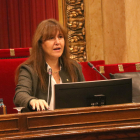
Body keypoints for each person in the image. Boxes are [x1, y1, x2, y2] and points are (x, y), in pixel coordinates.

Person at [13, 19, 85, 112]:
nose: (57, 42)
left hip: (71, 122)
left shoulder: (74, 67)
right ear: (40, 44)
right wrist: (32, 100)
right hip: (41, 123)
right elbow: (20, 95)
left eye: (60, 37)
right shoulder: (29, 69)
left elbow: (85, 95)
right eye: (51, 38)